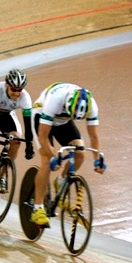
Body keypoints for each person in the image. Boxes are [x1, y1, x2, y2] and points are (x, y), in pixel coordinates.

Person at [30, 82, 106, 226]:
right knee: (47, 163)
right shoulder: (55, 100)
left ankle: (61, 181)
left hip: (64, 121)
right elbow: (42, 136)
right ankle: (37, 208)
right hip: (42, 116)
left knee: (80, 153)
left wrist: (98, 159)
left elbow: (94, 136)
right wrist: (53, 157)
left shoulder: (92, 106)